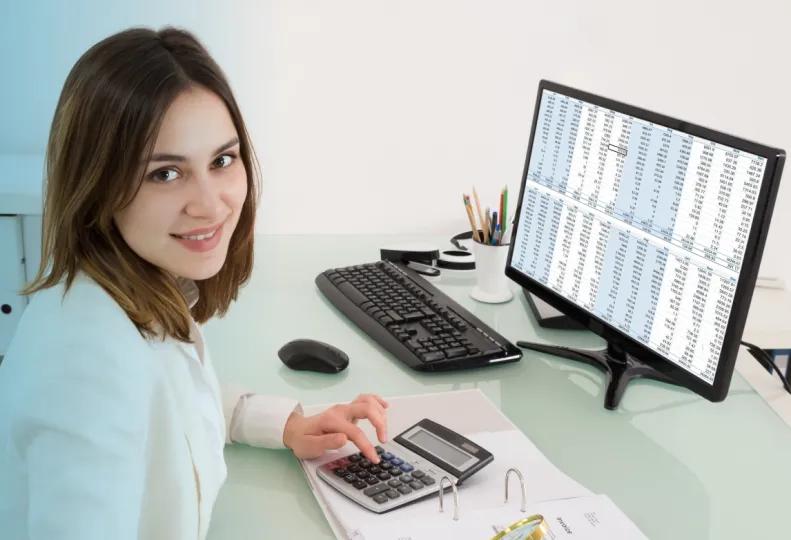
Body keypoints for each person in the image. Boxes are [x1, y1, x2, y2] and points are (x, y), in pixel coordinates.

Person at [0, 27, 388, 539]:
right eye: (165, 174)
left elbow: (175, 406)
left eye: (222, 161)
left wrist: (285, 424)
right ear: (98, 185)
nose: (210, 204)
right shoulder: (85, 360)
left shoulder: (133, 294)